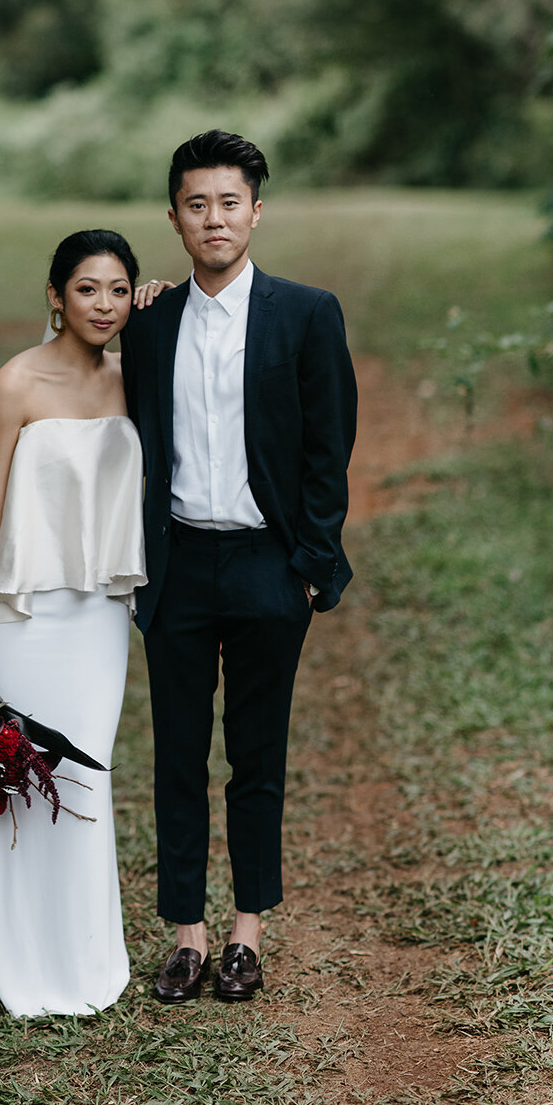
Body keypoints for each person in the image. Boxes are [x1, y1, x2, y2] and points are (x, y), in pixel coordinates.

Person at [122, 130, 357, 1004]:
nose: (213, 218)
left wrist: (307, 564)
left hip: (267, 566)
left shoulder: (306, 313)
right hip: (177, 564)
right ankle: (185, 932)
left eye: (229, 202)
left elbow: (329, 449)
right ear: (174, 218)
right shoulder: (150, 321)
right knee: (177, 753)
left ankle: (246, 932)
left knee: (256, 754)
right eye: (196, 204)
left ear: (256, 211)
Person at [0, 229, 147, 1017]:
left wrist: (158, 309)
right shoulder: (13, 384)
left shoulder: (134, 374)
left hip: (98, 617)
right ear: (55, 295)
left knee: (84, 778)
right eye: (87, 289)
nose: (103, 305)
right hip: (23, 614)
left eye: (120, 289)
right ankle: (11, 957)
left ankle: (84, 959)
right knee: (17, 782)